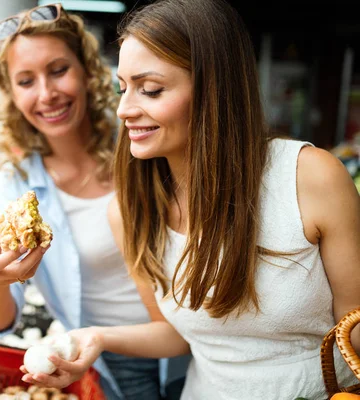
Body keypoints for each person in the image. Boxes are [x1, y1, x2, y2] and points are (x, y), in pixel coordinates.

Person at [20, 0, 360, 399]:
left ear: (214, 88)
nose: (125, 109)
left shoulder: (311, 177)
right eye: (122, 88)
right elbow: (177, 335)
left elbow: (354, 327)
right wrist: (95, 338)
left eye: (150, 90)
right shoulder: (130, 210)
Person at [0, 4, 188, 399]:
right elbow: (0, 322)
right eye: (25, 80)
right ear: (11, 94)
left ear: (87, 71)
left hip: (200, 337)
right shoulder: (14, 185)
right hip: (110, 354)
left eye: (58, 70)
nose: (47, 93)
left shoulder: (145, 142)